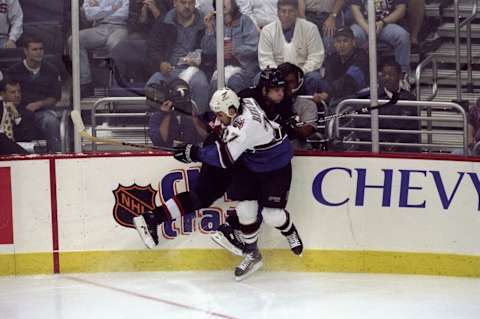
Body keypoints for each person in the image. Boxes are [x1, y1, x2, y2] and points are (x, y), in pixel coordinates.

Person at [134, 87, 303, 281]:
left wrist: (194, 153)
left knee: (257, 209)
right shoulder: (243, 103)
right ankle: (246, 247)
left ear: (231, 110)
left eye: (220, 114)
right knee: (225, 201)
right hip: (244, 158)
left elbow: (225, 156)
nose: (218, 118)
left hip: (251, 159)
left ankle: (235, 233)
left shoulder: (243, 129)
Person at [146, 0, 210, 114]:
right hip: (170, 69)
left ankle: (198, 126)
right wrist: (160, 63)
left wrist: (201, 61)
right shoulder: (164, 20)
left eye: (191, 3)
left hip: (195, 69)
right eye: (183, 2)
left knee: (201, 86)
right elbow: (152, 48)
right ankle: (158, 127)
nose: (187, 6)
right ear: (175, 3)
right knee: (152, 85)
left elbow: (211, 52)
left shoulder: (204, 22)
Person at [7, 35, 62, 153]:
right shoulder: (13, 71)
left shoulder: (51, 70)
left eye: (41, 49)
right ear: (26, 51)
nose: (39, 52)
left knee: (51, 121)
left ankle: (56, 156)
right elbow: (7, 94)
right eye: (34, 49)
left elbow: (55, 97)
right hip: (17, 112)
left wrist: (39, 104)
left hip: (41, 112)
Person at [258, 0, 325, 95]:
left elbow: (316, 57)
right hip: (277, 74)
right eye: (283, 11)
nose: (287, 15)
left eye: (291, 11)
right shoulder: (267, 31)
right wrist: (279, 75)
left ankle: (311, 107)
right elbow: (265, 60)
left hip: (303, 73)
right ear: (277, 12)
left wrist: (300, 73)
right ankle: (268, 109)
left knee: (315, 77)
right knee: (259, 77)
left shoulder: (310, 28)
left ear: (297, 12)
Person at [70, 0, 129, 95]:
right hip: (99, 28)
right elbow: (89, 15)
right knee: (74, 40)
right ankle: (85, 82)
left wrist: (99, 9)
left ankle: (117, 82)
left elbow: (124, 13)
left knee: (114, 44)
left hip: (120, 27)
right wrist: (111, 8)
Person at [201, 0, 259, 93]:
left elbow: (254, 47)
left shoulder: (245, 20)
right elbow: (208, 51)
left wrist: (235, 49)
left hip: (245, 70)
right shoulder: (214, 23)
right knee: (215, 85)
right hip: (220, 69)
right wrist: (209, 30)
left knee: (234, 82)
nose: (223, 2)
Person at [111, 0, 171, 85]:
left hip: (163, 36)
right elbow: (132, 27)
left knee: (154, 46)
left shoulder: (166, 2)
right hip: (144, 34)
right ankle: (128, 80)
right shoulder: (136, 2)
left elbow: (169, 26)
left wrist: (155, 11)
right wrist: (143, 16)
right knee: (128, 43)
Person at [350, 0, 411, 78]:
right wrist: (366, 28)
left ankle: (403, 76)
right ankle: (352, 76)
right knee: (352, 37)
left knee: (403, 37)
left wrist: (383, 22)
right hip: (363, 24)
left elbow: (401, 10)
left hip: (386, 24)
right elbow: (354, 9)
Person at [311, 26, 368, 106]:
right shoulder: (332, 60)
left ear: (354, 42)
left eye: (345, 41)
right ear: (334, 44)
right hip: (336, 97)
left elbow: (350, 81)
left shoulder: (361, 58)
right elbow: (328, 82)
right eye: (338, 41)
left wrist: (328, 93)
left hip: (358, 100)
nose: (342, 45)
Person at [146, 78, 207, 147]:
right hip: (166, 154)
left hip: (189, 153)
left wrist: (195, 120)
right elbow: (161, 141)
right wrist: (167, 114)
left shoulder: (194, 113)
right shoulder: (157, 117)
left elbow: (205, 137)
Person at [0, 77, 27, 155]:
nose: (17, 95)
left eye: (19, 91)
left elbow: (25, 138)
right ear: (2, 94)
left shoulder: (26, 112)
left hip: (14, 149)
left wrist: (17, 117)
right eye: (13, 92)